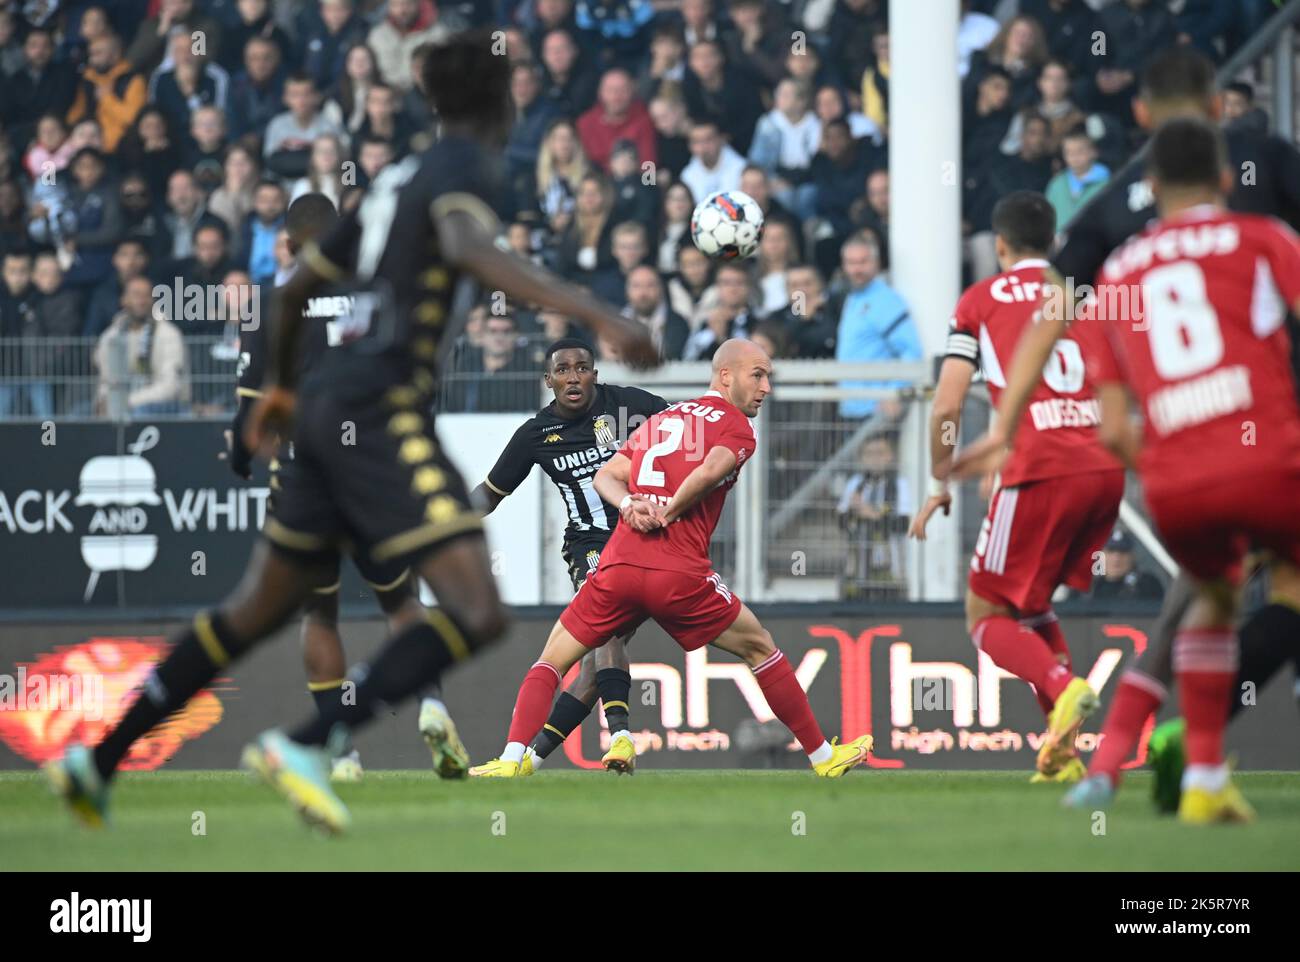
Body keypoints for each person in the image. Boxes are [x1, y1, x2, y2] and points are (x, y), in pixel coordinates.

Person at [46, 30, 658, 834]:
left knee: (255, 611)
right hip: (379, 413)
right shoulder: (469, 169)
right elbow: (472, 247)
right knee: (476, 609)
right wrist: (597, 312)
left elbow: (295, 293)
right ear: (499, 104)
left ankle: (95, 760)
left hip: (319, 417)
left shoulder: (395, 178)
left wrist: (277, 391)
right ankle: (308, 744)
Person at [951, 48, 1300, 813]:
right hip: (1271, 440)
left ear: (1139, 118)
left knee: (1201, 594)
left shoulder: (1116, 251)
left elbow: (1065, 331)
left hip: (1167, 464)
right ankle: (1168, 754)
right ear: (1218, 116)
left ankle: (1141, 761)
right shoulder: (1267, 207)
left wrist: (1005, 425)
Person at [477, 338, 872, 778]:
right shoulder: (735, 426)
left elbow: (607, 475)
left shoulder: (664, 416)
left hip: (618, 564)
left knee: (552, 660)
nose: (766, 387)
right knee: (760, 647)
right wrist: (671, 509)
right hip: (678, 571)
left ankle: (513, 760)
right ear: (726, 376)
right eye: (758, 375)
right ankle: (822, 757)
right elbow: (709, 472)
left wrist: (629, 506)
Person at [1075, 117, 1300, 823]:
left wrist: (1177, 462)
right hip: (1269, 458)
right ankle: (1192, 766)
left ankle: (1201, 774)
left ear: (1150, 187)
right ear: (1228, 178)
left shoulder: (1113, 275)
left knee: (1211, 598)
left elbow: (1112, 425)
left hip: (1175, 483)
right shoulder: (1263, 238)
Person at [228, 192, 462, 782]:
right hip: (373, 469)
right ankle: (432, 705)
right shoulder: (372, 296)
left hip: (304, 471)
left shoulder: (274, 304)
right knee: (402, 600)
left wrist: (238, 454)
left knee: (321, 613)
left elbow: (250, 412)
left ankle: (342, 751)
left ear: (288, 243)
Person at [909, 191, 1125, 781]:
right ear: (1055, 244)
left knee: (984, 613)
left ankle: (1062, 686)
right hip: (1105, 468)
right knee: (1029, 606)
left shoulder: (981, 299)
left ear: (999, 246)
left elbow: (946, 404)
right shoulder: (1083, 295)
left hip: (1041, 466)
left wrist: (940, 477)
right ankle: (1063, 756)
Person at [469, 340, 668, 775]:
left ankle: (529, 760)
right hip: (590, 544)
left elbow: (685, 432)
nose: (573, 377)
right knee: (606, 630)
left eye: (582, 368)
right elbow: (490, 493)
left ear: (595, 374)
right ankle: (620, 737)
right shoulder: (535, 435)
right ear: (549, 380)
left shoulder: (631, 405)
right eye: (563, 370)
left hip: (648, 541)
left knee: (594, 671)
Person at [93, 275, 188, 416]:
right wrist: (105, 400)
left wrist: (127, 401)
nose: (141, 301)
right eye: (136, 295)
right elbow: (106, 380)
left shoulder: (169, 334)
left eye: (147, 295)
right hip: (119, 403)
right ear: (123, 300)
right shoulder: (111, 336)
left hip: (165, 405)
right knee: (78, 413)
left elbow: (170, 388)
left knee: (140, 412)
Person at [1089, 530, 1165, 601]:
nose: (1116, 558)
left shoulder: (1147, 585)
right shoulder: (1090, 588)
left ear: (1132, 557)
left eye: (1123, 552)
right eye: (1111, 551)